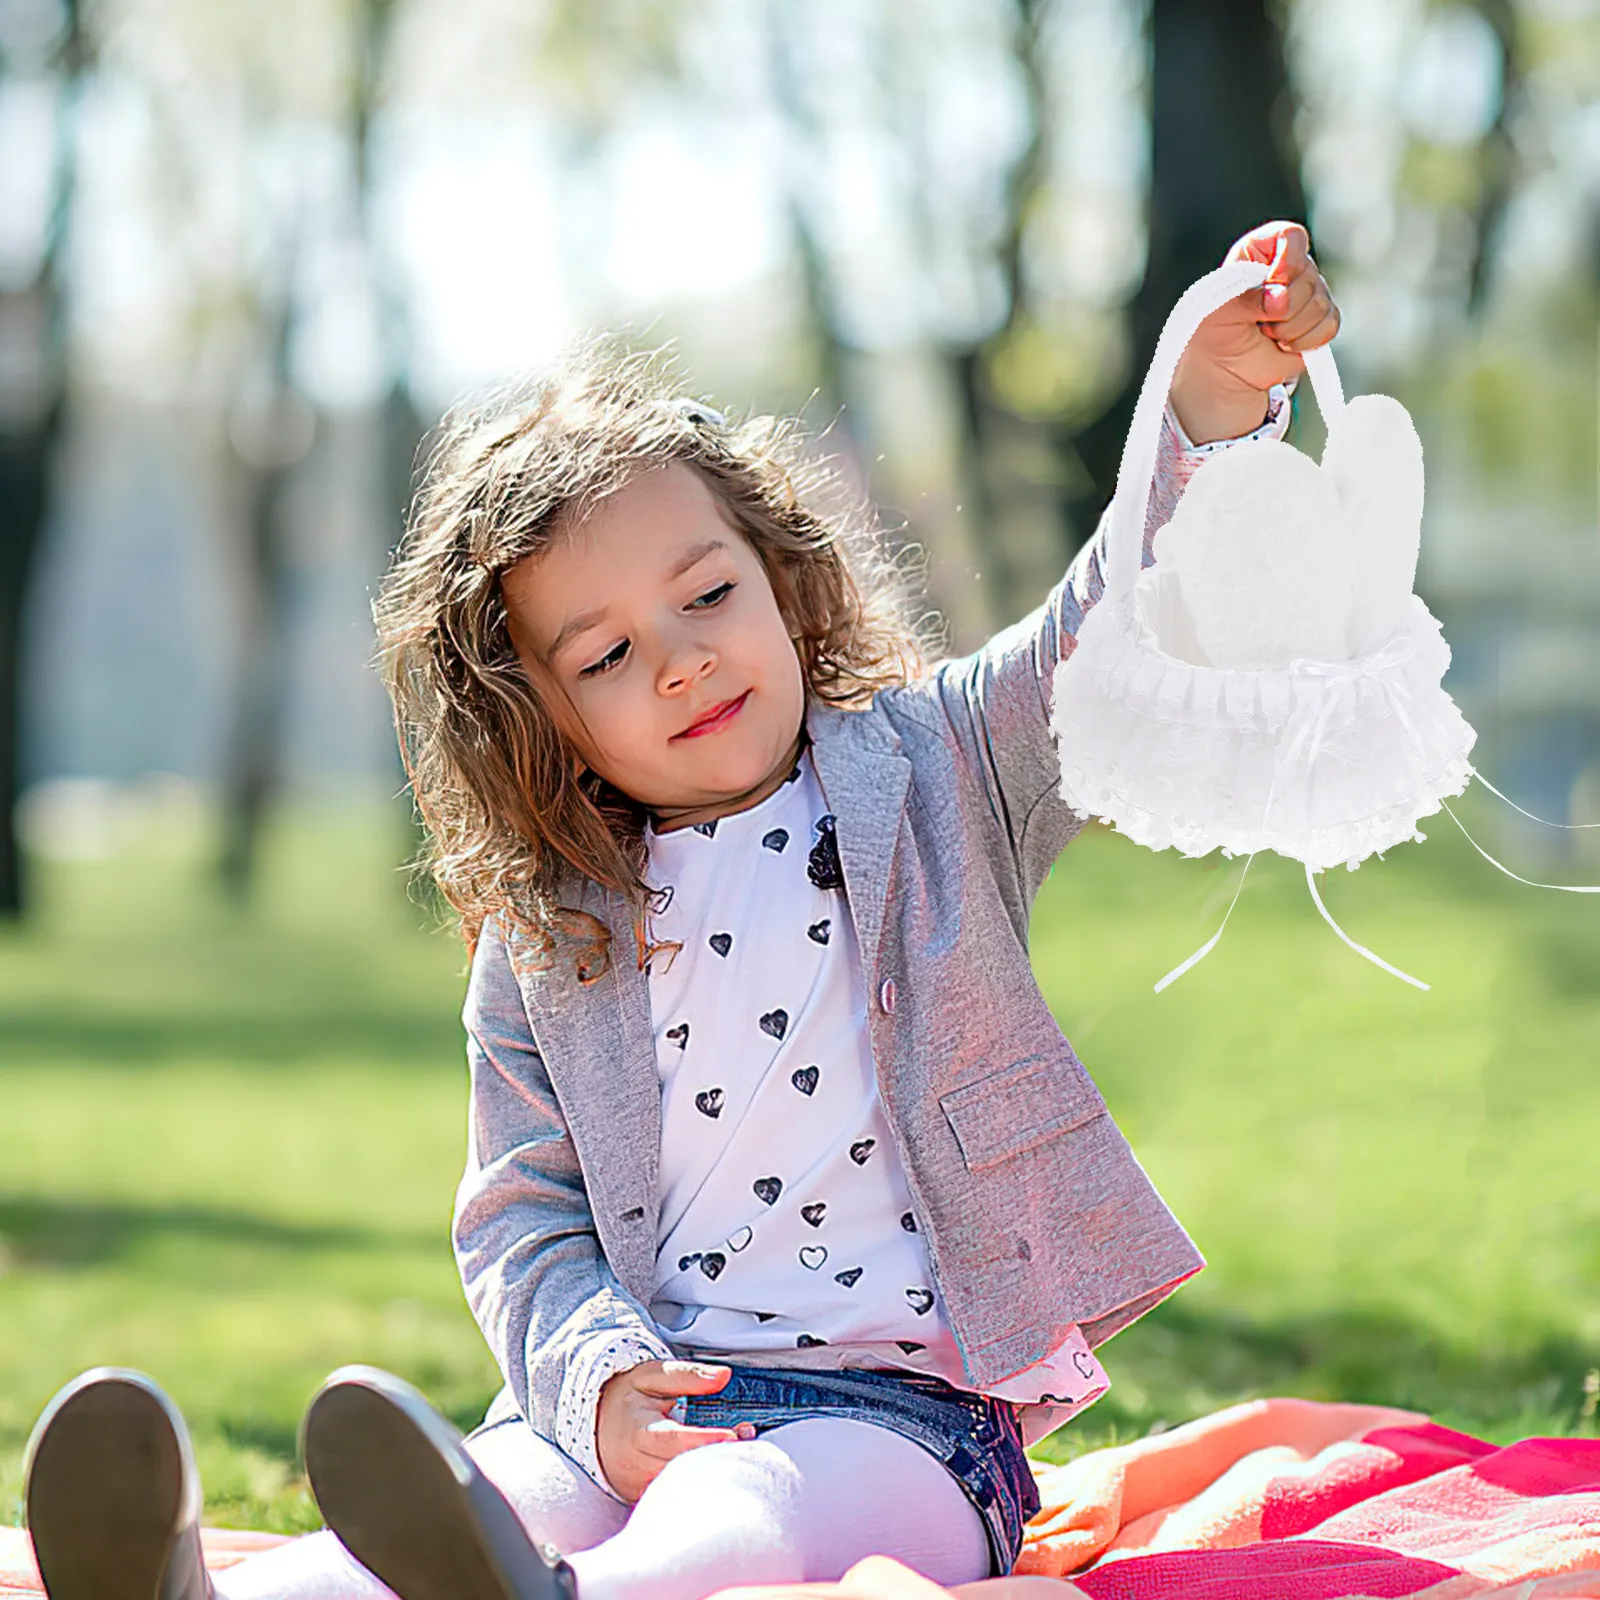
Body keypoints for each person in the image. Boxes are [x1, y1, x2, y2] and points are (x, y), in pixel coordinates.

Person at [21, 221, 1340, 1600]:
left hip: (900, 1430)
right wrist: (594, 1390)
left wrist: (1206, 410)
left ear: (782, 574)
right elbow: (521, 1218)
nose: (680, 661)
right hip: (634, 1418)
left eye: (708, 593)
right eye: (604, 655)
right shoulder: (552, 933)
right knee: (516, 1493)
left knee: (745, 1502)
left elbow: (1109, 626)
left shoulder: (943, 770)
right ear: (538, 718)